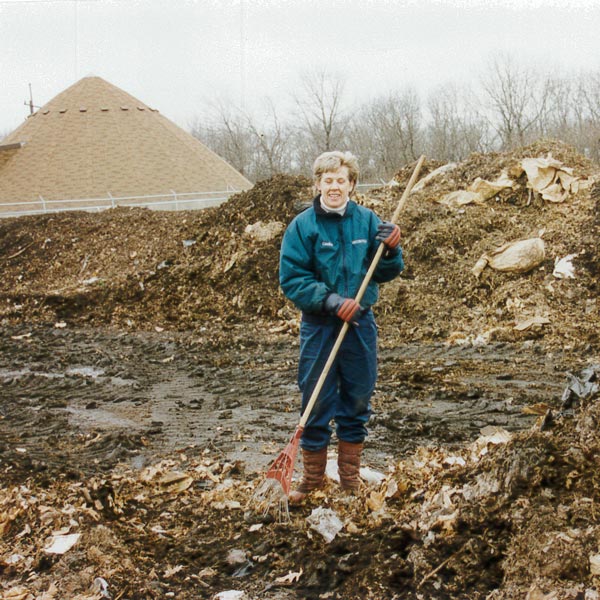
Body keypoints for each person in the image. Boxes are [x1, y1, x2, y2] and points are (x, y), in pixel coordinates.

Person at [279, 150, 404, 502]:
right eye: (328, 180)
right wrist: (332, 301)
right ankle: (313, 479)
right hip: (320, 325)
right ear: (318, 184)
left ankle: (350, 478)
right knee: (316, 398)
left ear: (352, 185)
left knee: (359, 394)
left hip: (360, 325)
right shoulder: (302, 226)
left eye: (341, 180)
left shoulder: (367, 221)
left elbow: (386, 271)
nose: (334, 187)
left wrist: (392, 251)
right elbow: (292, 279)